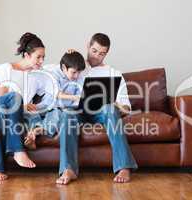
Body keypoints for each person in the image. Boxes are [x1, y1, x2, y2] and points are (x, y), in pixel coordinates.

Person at [56, 33, 138, 185]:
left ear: (107, 53)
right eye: (94, 51)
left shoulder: (114, 73)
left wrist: (115, 103)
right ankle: (69, 169)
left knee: (109, 108)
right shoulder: (78, 66)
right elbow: (54, 73)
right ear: (88, 46)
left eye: (102, 54)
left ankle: (124, 167)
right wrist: (67, 56)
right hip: (77, 111)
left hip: (102, 112)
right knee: (67, 114)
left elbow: (126, 108)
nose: (96, 57)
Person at [0, 32, 46, 182]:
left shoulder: (39, 75)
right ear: (27, 55)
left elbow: (59, 75)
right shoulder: (7, 68)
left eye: (43, 57)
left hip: (11, 115)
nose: (41, 61)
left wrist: (71, 54)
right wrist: (21, 104)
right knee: (15, 97)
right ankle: (18, 150)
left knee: (3, 120)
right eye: (38, 57)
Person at [23, 50, 86, 148]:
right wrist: (75, 97)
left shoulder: (79, 77)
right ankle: (34, 130)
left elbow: (81, 95)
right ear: (64, 68)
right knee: (28, 111)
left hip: (60, 109)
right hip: (46, 106)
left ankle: (35, 132)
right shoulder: (53, 72)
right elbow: (56, 93)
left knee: (56, 115)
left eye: (79, 72)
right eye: (73, 72)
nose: (76, 76)